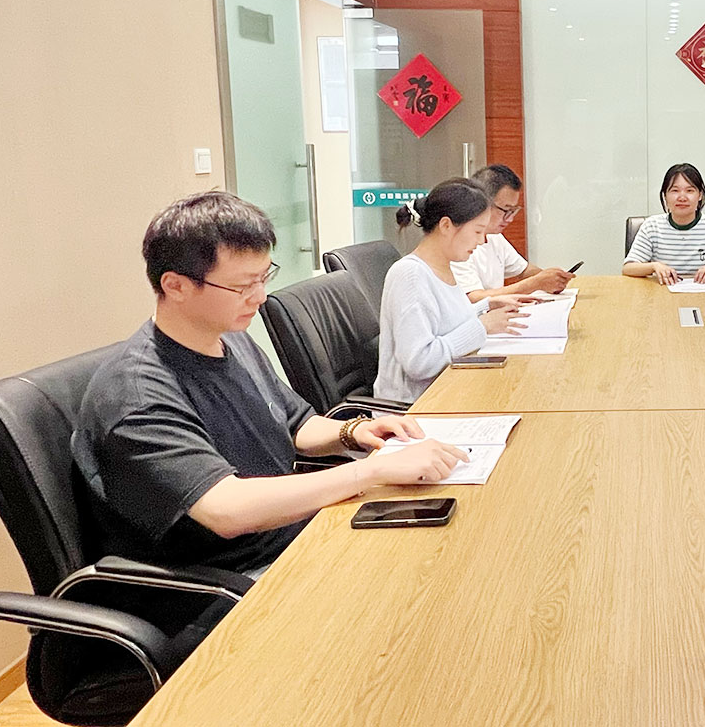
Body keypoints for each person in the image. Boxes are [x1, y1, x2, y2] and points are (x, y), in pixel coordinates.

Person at [73, 192, 472, 576]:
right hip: (236, 575)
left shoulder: (230, 339)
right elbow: (226, 510)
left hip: (296, 534)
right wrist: (372, 472)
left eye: (264, 278)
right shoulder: (137, 394)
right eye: (242, 286)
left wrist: (355, 431)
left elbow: (295, 424)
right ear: (176, 286)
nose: (260, 297)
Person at [377, 179, 535, 405]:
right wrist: (482, 326)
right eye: (478, 231)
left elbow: (447, 324)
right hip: (415, 409)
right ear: (446, 226)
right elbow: (419, 363)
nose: (482, 241)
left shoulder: (444, 266)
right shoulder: (410, 275)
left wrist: (487, 306)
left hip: (451, 392)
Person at [452, 163, 574, 301]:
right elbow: (473, 298)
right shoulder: (458, 242)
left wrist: (551, 278)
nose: (510, 219)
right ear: (482, 202)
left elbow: (523, 270)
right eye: (505, 210)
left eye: (513, 211)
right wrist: (535, 283)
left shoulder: (495, 237)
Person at [622, 162, 705, 285]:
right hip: (662, 295)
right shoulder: (652, 226)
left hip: (704, 295)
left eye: (690, 190)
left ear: (700, 195)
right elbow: (628, 268)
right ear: (665, 196)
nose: (682, 197)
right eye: (675, 190)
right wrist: (654, 266)